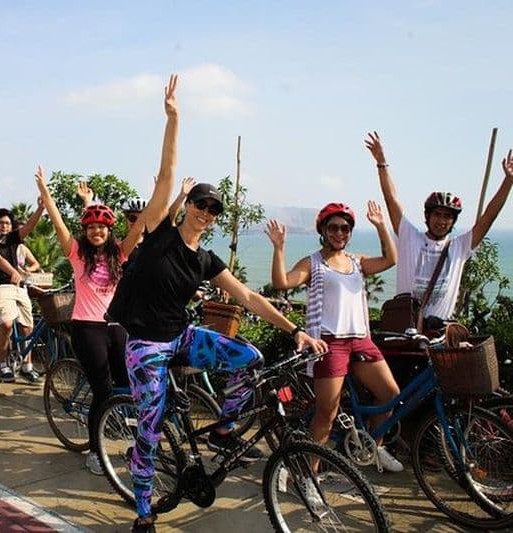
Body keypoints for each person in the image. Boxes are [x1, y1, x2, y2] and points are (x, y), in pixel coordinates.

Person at [106, 75, 327, 532]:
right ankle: (144, 509)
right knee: (148, 430)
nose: (206, 212)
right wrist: (174, 119)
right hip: (146, 346)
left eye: (214, 209)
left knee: (250, 358)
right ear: (187, 205)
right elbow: (166, 177)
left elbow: (246, 296)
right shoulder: (159, 236)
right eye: (200, 204)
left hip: (181, 337)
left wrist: (295, 330)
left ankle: (225, 428)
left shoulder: (205, 258)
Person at [265, 201, 403, 473]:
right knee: (327, 412)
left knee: (389, 394)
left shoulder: (357, 262)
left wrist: (380, 226)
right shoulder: (313, 262)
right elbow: (282, 282)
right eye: (333, 228)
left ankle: (373, 449)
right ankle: (307, 474)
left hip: (360, 339)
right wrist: (279, 248)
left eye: (345, 228)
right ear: (323, 231)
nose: (340, 233)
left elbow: (391, 259)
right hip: (329, 343)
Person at [35, 165, 141, 475]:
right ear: (85, 231)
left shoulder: (120, 254)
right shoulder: (77, 254)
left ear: (110, 231)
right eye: (91, 227)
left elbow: (142, 225)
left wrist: (165, 193)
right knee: (103, 390)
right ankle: (96, 451)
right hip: (87, 328)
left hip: (117, 327)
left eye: (103, 227)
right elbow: (57, 222)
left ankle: (135, 443)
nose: (97, 231)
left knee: (126, 387)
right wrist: (45, 191)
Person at [366, 132, 513, 324]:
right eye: (437, 214)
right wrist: (382, 163)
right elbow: (391, 200)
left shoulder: (460, 246)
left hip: (440, 334)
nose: (441, 221)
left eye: (447, 216)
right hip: (405, 330)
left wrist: (508, 181)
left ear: (453, 222)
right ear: (427, 216)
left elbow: (488, 217)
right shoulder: (409, 236)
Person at [0, 203, 45, 383]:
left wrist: (41, 208)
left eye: (8, 223)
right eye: (1, 223)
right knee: (7, 324)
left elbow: (29, 226)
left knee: (27, 327)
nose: (5, 226)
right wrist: (14, 272)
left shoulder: (14, 240)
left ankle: (27, 366)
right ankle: (2, 364)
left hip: (19, 287)